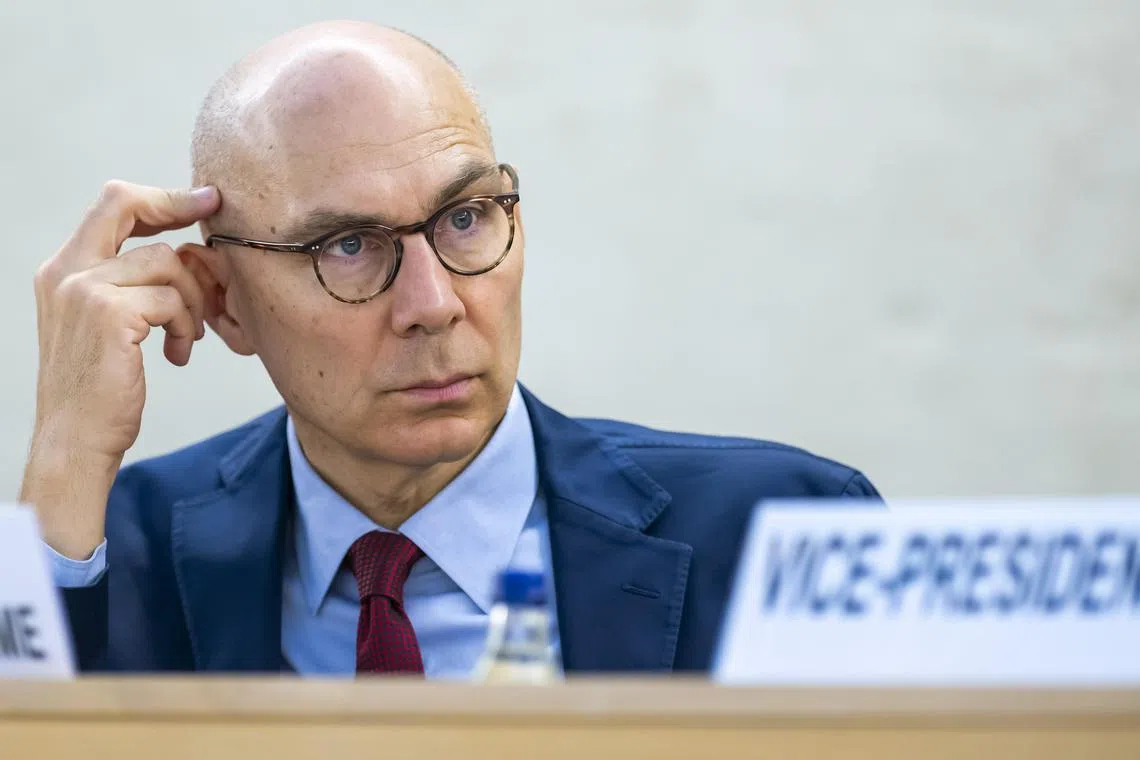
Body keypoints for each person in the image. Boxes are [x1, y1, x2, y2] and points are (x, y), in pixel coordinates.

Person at [23, 21, 880, 676]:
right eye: (347, 246)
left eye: (465, 219)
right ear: (227, 304)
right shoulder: (109, 556)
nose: (432, 305)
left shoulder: (783, 534)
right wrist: (63, 455)